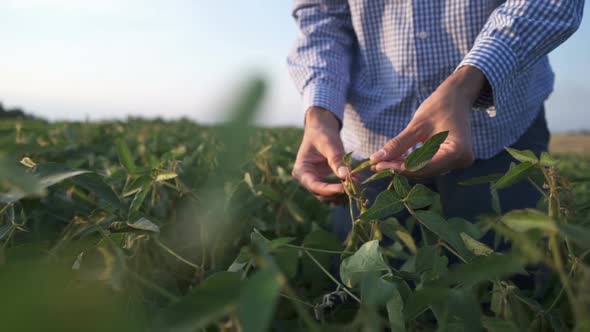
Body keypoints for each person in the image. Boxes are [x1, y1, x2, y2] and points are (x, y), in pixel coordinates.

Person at [287, 1, 584, 245]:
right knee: (374, 286)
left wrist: (469, 82)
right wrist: (320, 112)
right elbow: (322, 16)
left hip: (501, 126)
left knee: (511, 267)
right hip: (369, 141)